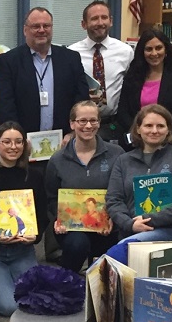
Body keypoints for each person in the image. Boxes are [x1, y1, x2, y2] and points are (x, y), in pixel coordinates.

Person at [104, 104, 172, 264]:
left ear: (168, 130)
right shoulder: (123, 161)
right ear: (138, 129)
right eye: (148, 125)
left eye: (160, 126)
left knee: (120, 252)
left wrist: (148, 219)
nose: (154, 130)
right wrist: (130, 224)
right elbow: (114, 200)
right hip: (130, 231)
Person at [44, 101, 124, 272]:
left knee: (105, 267)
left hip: (108, 225)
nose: (88, 125)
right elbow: (51, 197)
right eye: (82, 121)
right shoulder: (57, 160)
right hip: (71, 228)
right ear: (72, 124)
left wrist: (114, 218)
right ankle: (65, 285)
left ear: (99, 122)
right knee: (77, 244)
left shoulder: (117, 154)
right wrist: (59, 219)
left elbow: (123, 192)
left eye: (93, 120)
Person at [0, 123, 46, 316]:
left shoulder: (34, 177)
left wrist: (36, 235)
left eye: (18, 142)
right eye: (6, 142)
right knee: (9, 307)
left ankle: (1, 284)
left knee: (36, 301)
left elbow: (42, 214)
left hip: (23, 250)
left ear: (24, 145)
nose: (13, 147)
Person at [0, 7, 89, 142]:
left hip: (65, 141)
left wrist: (74, 133)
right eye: (35, 26)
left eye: (46, 26)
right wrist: (16, 138)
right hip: (23, 144)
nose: (42, 30)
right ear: (25, 30)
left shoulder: (71, 58)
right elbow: (5, 105)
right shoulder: (9, 61)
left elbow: (81, 100)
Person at [117, 28, 172, 148]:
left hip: (168, 140)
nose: (154, 53)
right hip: (136, 141)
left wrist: (158, 130)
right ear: (142, 52)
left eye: (158, 48)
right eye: (148, 49)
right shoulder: (132, 75)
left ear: (166, 49)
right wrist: (141, 131)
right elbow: (122, 111)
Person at [68, 0, 134, 133]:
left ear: (111, 21)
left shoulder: (125, 52)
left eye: (104, 18)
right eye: (94, 19)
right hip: (82, 125)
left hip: (115, 124)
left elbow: (132, 90)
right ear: (84, 24)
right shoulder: (72, 53)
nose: (100, 23)